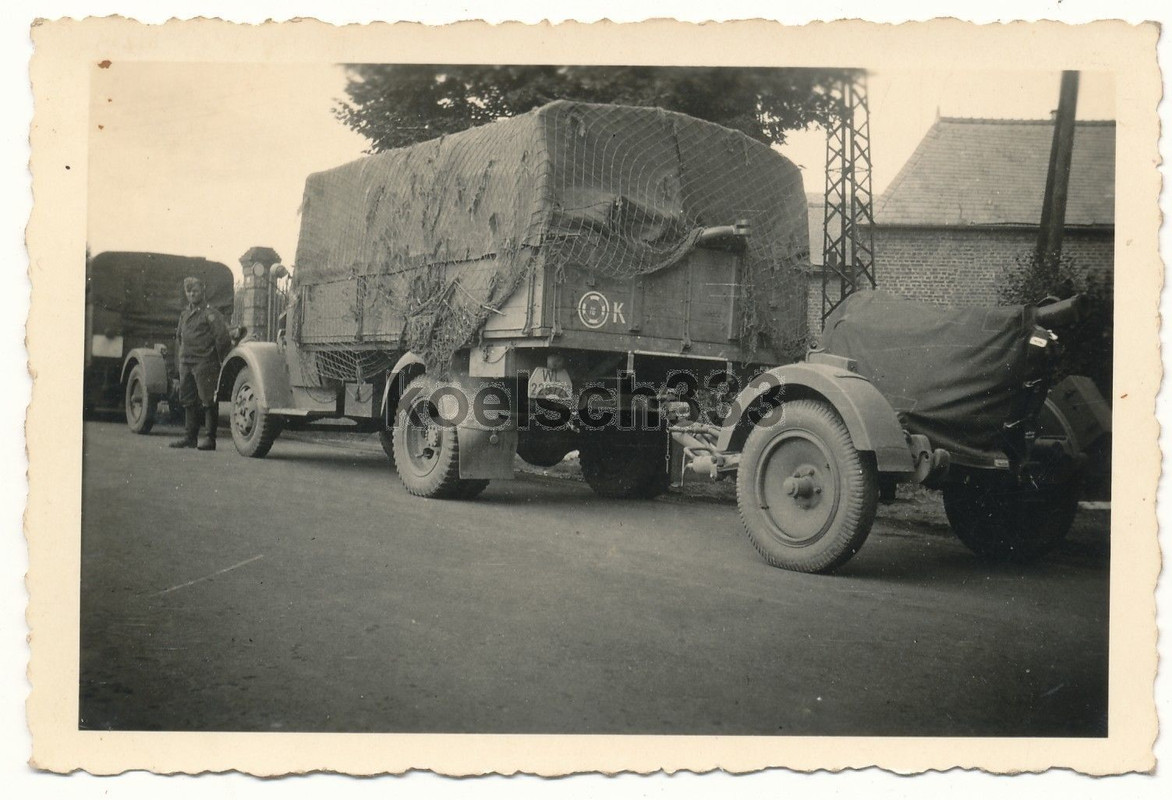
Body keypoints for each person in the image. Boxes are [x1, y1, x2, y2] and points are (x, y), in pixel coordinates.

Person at [170, 276, 232, 451]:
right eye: (188, 291)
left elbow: (222, 338)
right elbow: (179, 339)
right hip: (186, 363)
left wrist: (220, 361)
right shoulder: (184, 315)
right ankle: (190, 437)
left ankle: (210, 439)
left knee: (207, 400)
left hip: (204, 363)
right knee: (188, 400)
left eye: (195, 291)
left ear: (202, 291)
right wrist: (178, 365)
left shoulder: (210, 314)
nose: (191, 294)